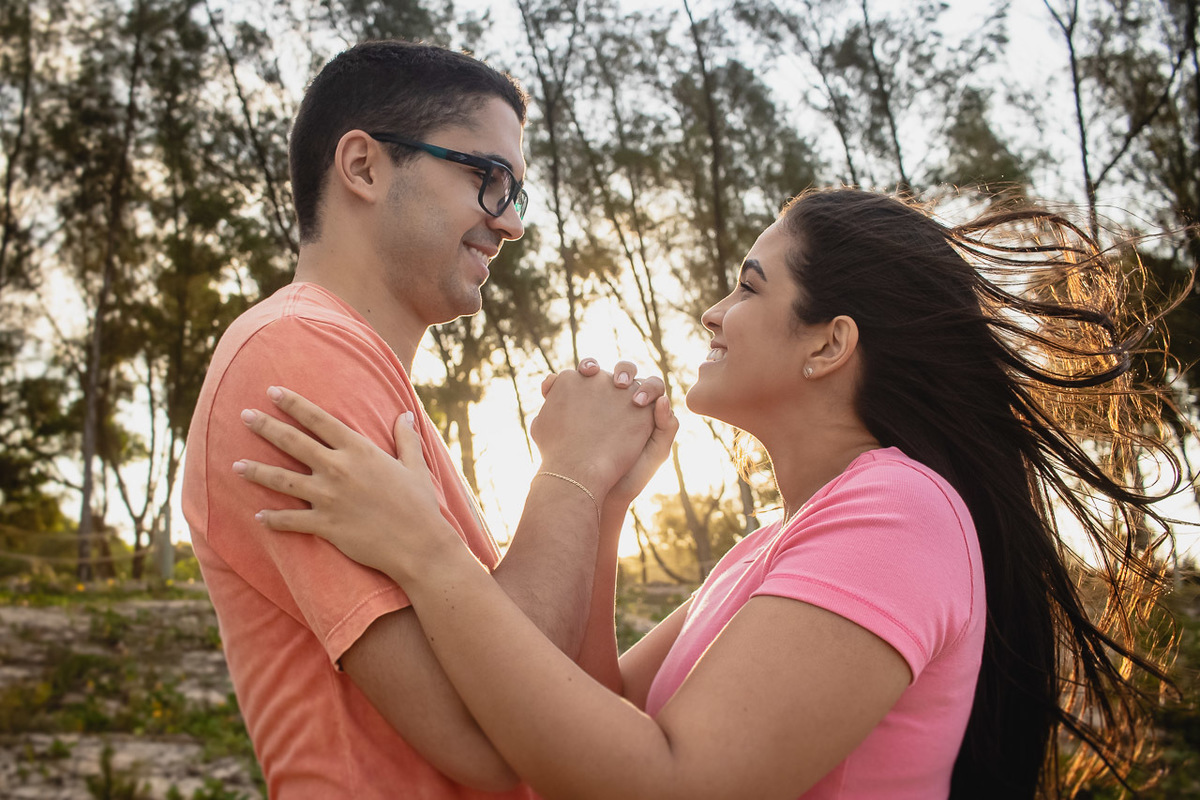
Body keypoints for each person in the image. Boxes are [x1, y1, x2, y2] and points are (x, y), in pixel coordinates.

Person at [234, 188, 1181, 799]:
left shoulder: (900, 511)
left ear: (827, 344)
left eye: (746, 288)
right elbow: (596, 717)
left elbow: (667, 787)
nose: (712, 313)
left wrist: (427, 551)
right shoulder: (777, 545)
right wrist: (603, 509)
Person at [182, 40, 673, 797]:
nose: (509, 224)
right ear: (364, 166)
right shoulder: (293, 353)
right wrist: (570, 471)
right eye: (486, 178)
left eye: (516, 192)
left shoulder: (364, 376)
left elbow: (572, 713)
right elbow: (494, 735)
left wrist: (599, 495)